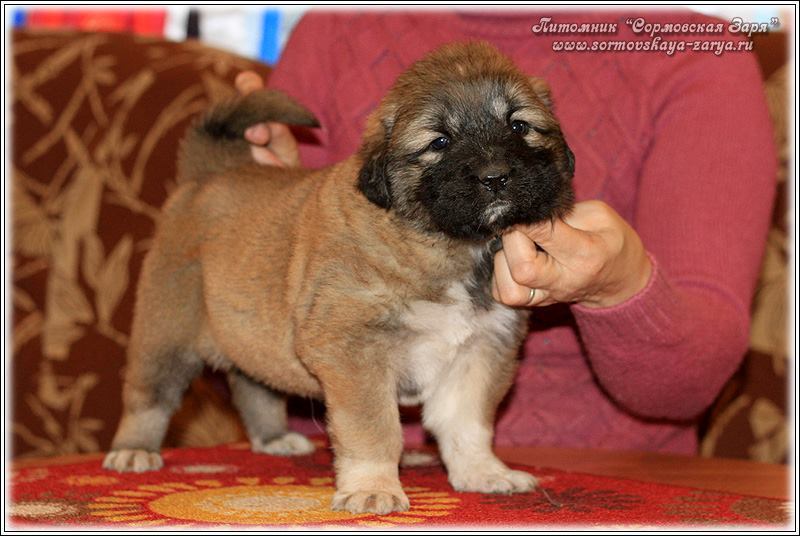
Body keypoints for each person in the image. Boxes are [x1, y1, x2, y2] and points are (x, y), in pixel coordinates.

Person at [233, 9, 775, 454]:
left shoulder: (694, 50)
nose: (492, 167)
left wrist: (621, 289)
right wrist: (280, 199)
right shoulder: (332, 25)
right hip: (327, 453)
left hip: (597, 467)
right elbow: (294, 302)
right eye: (439, 144)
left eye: (519, 127)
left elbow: (691, 384)